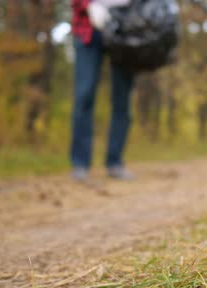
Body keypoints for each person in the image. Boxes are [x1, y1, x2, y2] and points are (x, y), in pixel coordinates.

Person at [70, 0, 135, 181]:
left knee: (123, 99)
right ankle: (80, 164)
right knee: (84, 95)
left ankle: (115, 162)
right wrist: (88, 6)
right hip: (88, 28)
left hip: (128, 28)